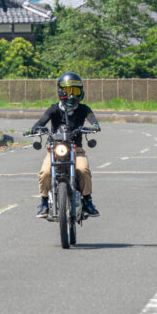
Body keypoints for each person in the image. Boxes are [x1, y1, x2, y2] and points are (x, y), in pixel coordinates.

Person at [29, 72, 101, 218]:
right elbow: (42, 121)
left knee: (83, 169)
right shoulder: (54, 109)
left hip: (76, 149)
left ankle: (87, 201)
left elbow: (92, 120)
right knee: (45, 172)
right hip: (55, 149)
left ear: (81, 91)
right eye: (68, 91)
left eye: (75, 91)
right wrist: (35, 128)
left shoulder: (84, 109)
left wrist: (94, 126)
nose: (72, 95)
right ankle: (43, 203)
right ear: (60, 91)